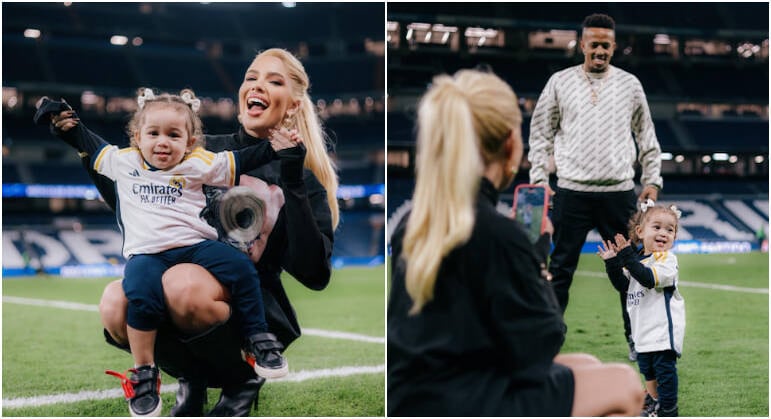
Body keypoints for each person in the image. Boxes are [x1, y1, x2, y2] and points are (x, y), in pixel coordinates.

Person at [43, 48, 339, 416]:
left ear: (294, 104)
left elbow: (314, 274)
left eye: (274, 81)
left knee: (182, 283)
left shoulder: (301, 178)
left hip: (248, 304)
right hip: (178, 280)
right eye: (251, 77)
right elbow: (134, 193)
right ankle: (191, 376)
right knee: (116, 303)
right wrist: (80, 144)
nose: (257, 85)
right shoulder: (198, 149)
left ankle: (242, 376)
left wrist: (292, 179)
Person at [387, 68, 643, 416]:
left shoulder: (414, 223)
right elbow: (542, 344)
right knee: (624, 384)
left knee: (586, 363)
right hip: (463, 402)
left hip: (418, 396)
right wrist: (537, 257)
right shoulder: (497, 235)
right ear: (510, 144)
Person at [527, 13, 663, 361]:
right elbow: (540, 134)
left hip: (618, 192)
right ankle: (547, 340)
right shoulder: (559, 82)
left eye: (606, 44)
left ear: (614, 47)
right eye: (594, 44)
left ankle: (637, 340)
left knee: (630, 270)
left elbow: (646, 135)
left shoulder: (630, 84)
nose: (599, 50)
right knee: (560, 271)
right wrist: (540, 181)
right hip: (571, 191)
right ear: (582, 44)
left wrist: (651, 179)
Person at [598, 200, 685, 416]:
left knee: (664, 371)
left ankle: (668, 410)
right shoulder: (637, 260)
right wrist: (612, 263)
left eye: (670, 230)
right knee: (647, 370)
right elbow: (624, 286)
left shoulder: (666, 259)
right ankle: (654, 403)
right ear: (640, 231)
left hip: (662, 330)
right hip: (642, 329)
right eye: (657, 227)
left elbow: (647, 279)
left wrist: (627, 256)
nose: (663, 233)